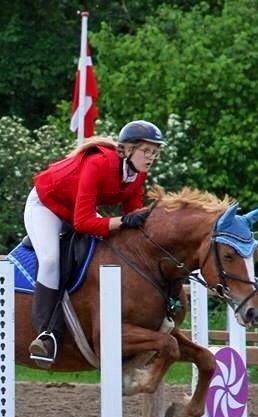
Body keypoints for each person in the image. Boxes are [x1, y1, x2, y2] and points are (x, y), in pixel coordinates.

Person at [24, 120, 163, 366]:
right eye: (146, 151)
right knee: (49, 260)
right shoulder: (98, 163)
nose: (151, 157)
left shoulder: (137, 176)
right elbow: (82, 223)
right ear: (127, 150)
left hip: (76, 208)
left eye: (155, 152)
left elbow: (134, 220)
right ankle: (46, 334)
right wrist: (122, 221)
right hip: (47, 205)